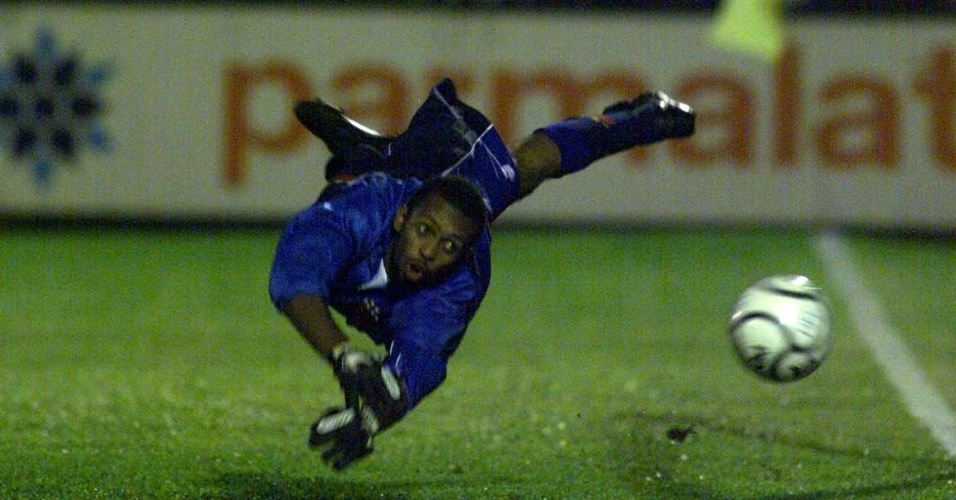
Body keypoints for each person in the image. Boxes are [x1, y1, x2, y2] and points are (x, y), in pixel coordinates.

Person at [269, 78, 695, 470]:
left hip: (429, 218)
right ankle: (636, 121)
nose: (431, 252)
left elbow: (408, 377)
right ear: (402, 218)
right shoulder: (365, 211)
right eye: (425, 232)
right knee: (527, 167)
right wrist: (344, 355)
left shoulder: (455, 288)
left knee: (481, 190)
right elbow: (294, 282)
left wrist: (369, 420)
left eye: (449, 246)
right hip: (428, 164)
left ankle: (365, 152)